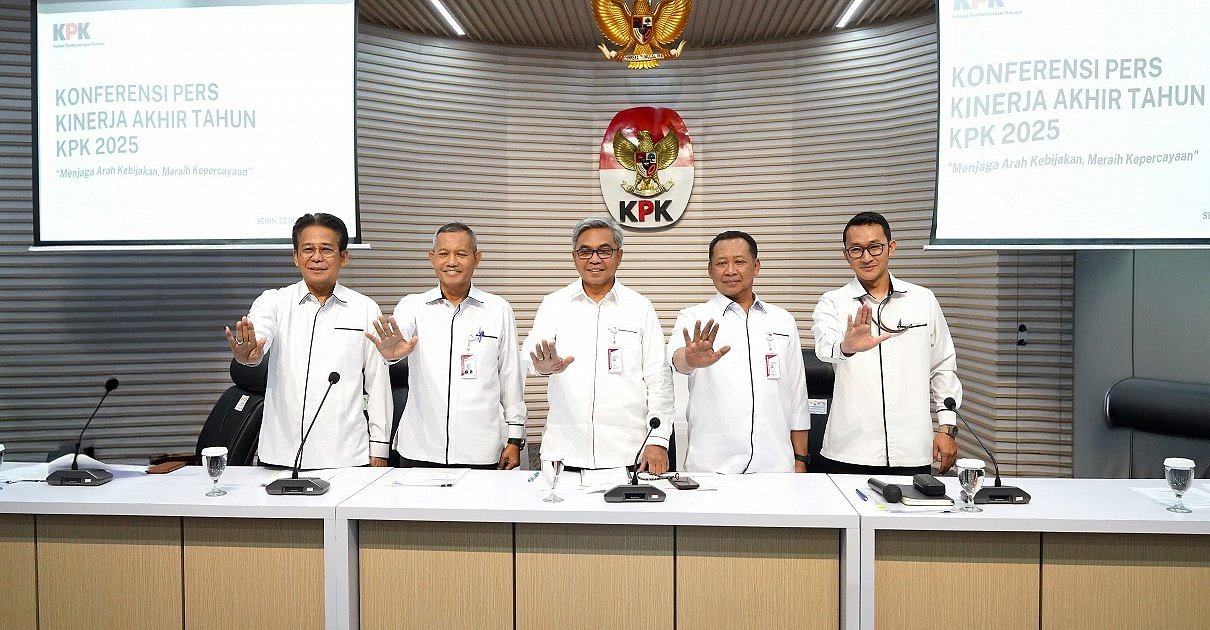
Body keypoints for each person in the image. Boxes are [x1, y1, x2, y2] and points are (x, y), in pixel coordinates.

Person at [225, 213, 391, 468]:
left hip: (346, 456)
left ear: (344, 257)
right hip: (281, 454)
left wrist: (380, 447)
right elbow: (259, 337)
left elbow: (378, 383)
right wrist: (250, 354)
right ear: (295, 256)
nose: (316, 257)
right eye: (308, 249)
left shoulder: (365, 309)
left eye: (326, 249)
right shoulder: (273, 302)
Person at [364, 223, 527, 469]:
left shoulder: (498, 309)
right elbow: (399, 338)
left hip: (481, 450)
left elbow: (510, 376)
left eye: (461, 254)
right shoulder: (412, 306)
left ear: (477, 258)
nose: (452, 262)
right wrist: (392, 354)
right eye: (443, 253)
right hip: (420, 448)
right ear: (432, 258)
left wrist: (515, 438)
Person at [810, 211, 961, 475]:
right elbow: (824, 349)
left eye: (874, 247)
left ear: (891, 247)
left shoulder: (922, 299)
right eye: (856, 249)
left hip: (912, 450)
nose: (866, 257)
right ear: (846, 255)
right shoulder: (832, 302)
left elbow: (943, 366)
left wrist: (947, 427)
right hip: (849, 450)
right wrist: (847, 347)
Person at [521, 217, 674, 472]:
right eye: (585, 251)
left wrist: (658, 439)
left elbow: (659, 377)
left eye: (604, 251)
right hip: (564, 454)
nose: (594, 259)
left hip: (629, 454)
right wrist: (543, 366)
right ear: (574, 257)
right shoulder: (554, 304)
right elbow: (531, 357)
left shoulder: (640, 308)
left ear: (619, 256)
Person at [669, 231, 810, 473]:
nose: (730, 270)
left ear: (756, 266)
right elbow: (677, 360)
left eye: (739, 261)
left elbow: (797, 396)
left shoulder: (783, 320)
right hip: (711, 468)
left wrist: (801, 459)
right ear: (710, 270)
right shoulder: (693, 317)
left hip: (776, 468)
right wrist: (690, 360)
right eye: (721, 263)